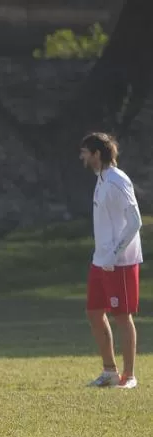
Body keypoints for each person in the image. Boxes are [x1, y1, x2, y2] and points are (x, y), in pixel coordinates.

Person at [81, 132, 143, 389]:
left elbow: (135, 222)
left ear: (97, 154)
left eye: (85, 152)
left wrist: (115, 254)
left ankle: (129, 376)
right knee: (95, 312)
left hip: (121, 263)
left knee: (122, 316)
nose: (82, 157)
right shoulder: (101, 179)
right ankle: (109, 371)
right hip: (100, 261)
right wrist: (103, 256)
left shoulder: (118, 181)